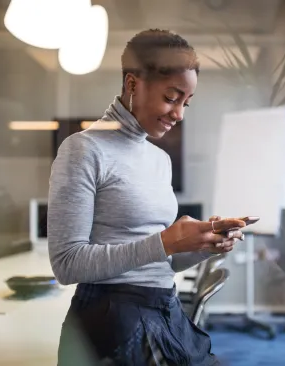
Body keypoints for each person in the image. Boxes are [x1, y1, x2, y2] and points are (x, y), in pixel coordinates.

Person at [48, 29, 246, 366]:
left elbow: (158, 263)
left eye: (186, 102)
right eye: (171, 97)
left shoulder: (159, 159)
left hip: (163, 309)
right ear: (132, 85)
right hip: (111, 318)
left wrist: (200, 247)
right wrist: (166, 241)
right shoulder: (83, 150)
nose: (180, 113)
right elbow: (67, 265)